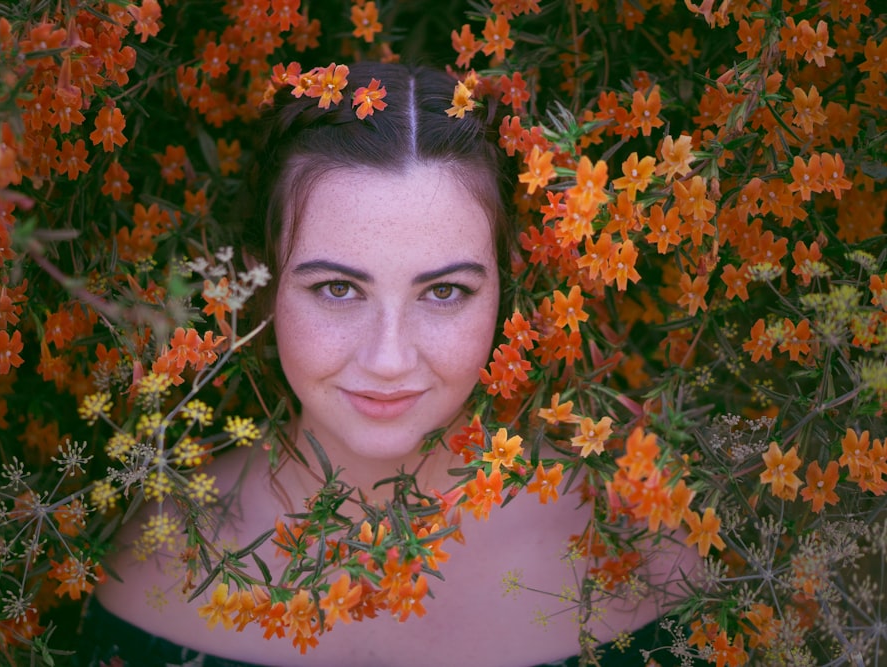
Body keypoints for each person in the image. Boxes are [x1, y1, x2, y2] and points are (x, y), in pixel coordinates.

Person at [83, 62, 699, 667]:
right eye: (337, 289)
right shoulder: (153, 558)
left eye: (444, 292)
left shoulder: (641, 551)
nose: (387, 359)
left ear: (505, 286)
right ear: (260, 284)